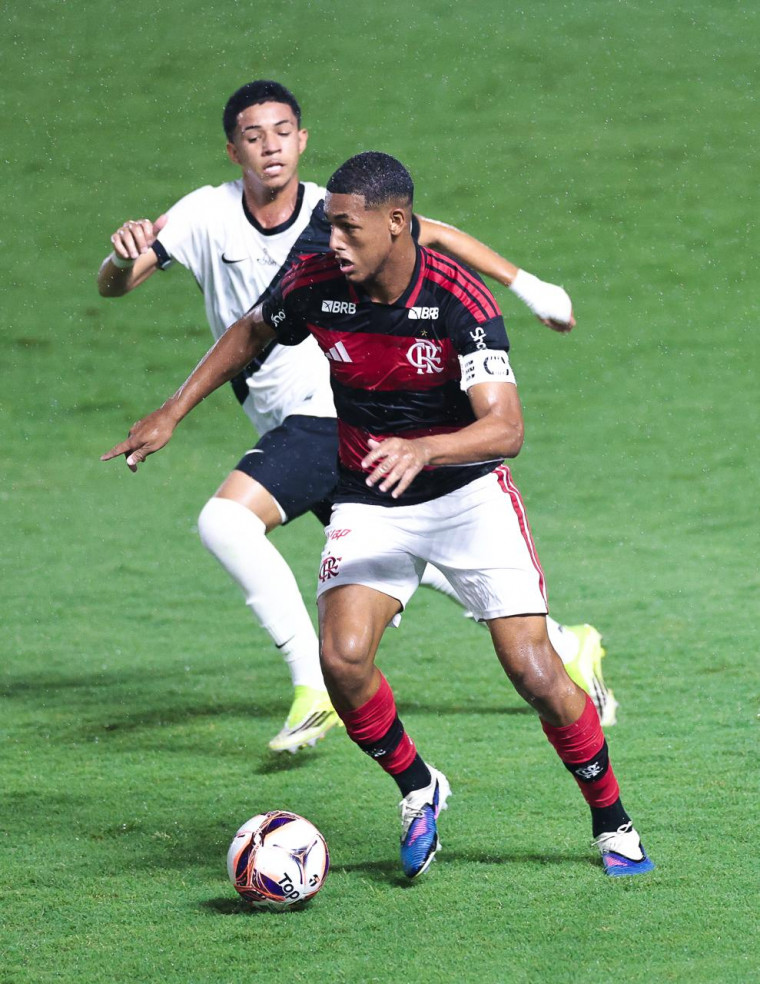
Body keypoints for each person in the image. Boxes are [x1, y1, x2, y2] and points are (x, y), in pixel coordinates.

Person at [101, 152, 653, 879]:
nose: (332, 241)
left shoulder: (459, 300)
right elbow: (252, 330)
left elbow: (506, 427)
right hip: (371, 495)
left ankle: (613, 821)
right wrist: (173, 410)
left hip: (468, 497)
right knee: (342, 659)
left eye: (348, 229)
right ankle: (418, 786)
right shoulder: (317, 282)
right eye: (329, 225)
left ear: (397, 223)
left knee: (534, 671)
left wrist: (426, 449)